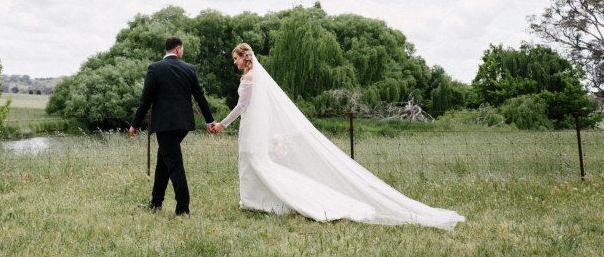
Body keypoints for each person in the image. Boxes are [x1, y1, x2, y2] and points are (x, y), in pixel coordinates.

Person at [211, 43, 465, 229]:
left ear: (244, 58)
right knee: (257, 163)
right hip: (256, 126)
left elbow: (242, 107)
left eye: (235, 58)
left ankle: (260, 201)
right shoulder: (255, 77)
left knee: (256, 162)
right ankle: (257, 201)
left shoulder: (250, 78)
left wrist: (222, 124)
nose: (234, 63)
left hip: (252, 128)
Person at [129, 36, 215, 216]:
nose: (182, 52)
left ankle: (183, 208)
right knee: (164, 161)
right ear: (177, 49)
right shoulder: (189, 69)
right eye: (182, 49)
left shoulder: (155, 68)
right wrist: (209, 120)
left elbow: (146, 99)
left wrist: (135, 124)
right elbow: (200, 97)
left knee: (174, 163)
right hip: (183, 125)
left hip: (164, 125)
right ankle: (156, 203)